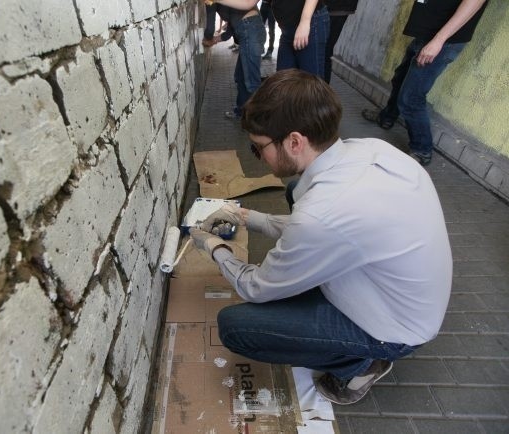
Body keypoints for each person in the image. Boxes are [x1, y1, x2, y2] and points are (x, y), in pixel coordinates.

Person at [189, 69, 453, 405]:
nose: (258, 157)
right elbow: (325, 226)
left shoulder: (325, 213)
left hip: (395, 330)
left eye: (258, 149)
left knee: (236, 327)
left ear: (295, 141)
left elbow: (256, 287)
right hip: (400, 294)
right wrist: (247, 217)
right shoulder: (368, 149)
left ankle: (362, 363)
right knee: (298, 189)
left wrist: (215, 248)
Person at [361, 0, 488, 166]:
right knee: (400, 78)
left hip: (443, 40)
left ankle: (422, 150)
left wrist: (438, 40)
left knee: (411, 97)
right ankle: (387, 117)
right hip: (427, 34)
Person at [203, 0, 266, 119]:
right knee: (240, 77)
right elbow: (233, 26)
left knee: (251, 82)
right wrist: (215, 40)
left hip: (250, 32)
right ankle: (241, 112)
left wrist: (207, 38)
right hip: (252, 29)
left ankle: (259, 121)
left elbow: (210, 29)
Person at [271, 0, 329, 76]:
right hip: (287, 29)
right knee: (283, 80)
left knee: (309, 81)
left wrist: (305, 22)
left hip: (309, 22)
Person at [324, 0, 359, 83]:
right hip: (336, 8)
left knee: (324, 52)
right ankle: (321, 91)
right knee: (325, 52)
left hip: (334, 8)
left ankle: (321, 91)